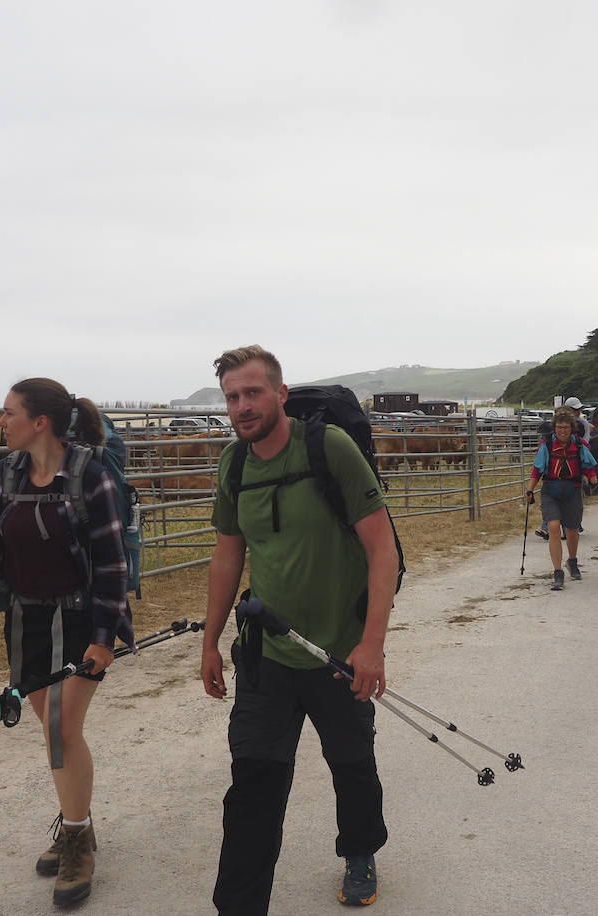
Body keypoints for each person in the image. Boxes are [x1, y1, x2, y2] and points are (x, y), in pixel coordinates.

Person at [200, 345, 399, 913]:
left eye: (253, 392)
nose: (242, 406)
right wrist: (210, 642)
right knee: (252, 792)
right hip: (266, 657)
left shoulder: (328, 449)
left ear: (281, 394)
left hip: (338, 651)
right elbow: (226, 557)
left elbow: (381, 548)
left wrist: (372, 646)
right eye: (232, 396)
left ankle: (360, 850)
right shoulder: (233, 464)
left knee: (352, 762)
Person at [0, 378, 132, 909]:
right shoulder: (1, 477)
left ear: (39, 422)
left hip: (81, 620)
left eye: (9, 414)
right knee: (54, 734)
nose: (1, 423)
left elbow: (113, 563)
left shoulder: (89, 476)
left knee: (60, 726)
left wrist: (104, 638)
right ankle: (80, 822)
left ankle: (76, 839)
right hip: (26, 621)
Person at [524, 412, 598, 590]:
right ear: (554, 428)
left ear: (571, 428)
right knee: (553, 528)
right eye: (559, 427)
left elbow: (589, 468)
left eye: (566, 427)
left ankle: (572, 561)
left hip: (572, 491)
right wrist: (530, 489)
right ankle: (558, 572)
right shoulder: (547, 445)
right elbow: (537, 470)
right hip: (550, 491)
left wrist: (596, 482)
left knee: (572, 531)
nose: (562, 431)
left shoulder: (579, 445)